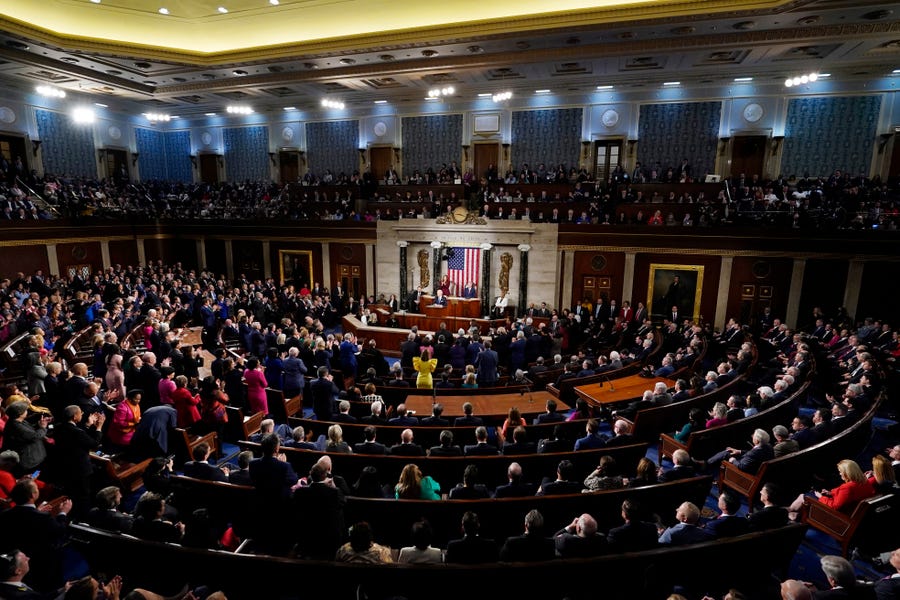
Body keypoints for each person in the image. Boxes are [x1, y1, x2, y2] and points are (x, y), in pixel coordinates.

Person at [51, 405, 104, 517]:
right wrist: (99, 427)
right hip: (80, 468)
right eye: (81, 413)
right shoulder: (77, 432)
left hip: (65, 465)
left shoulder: (58, 427)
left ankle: (70, 511)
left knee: (71, 491)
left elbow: (77, 436)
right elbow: (94, 444)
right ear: (75, 416)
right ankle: (83, 516)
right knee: (83, 494)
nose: (82, 414)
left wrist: (88, 425)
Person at [292, 462, 346, 560]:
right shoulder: (334, 492)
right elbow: (342, 502)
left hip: (306, 537)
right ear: (325, 475)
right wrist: (334, 487)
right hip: (328, 540)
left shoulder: (300, 492)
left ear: (310, 474)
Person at [788, 459, 876, 517]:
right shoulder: (865, 481)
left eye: (840, 472)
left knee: (803, 496)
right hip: (851, 511)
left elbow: (834, 507)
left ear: (847, 473)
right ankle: (791, 514)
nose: (840, 474)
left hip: (838, 517)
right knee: (803, 500)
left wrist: (820, 497)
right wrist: (831, 493)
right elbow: (848, 497)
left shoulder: (847, 487)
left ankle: (788, 513)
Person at [0, 402, 50, 472]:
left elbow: (29, 430)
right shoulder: (15, 426)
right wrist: (42, 428)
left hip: (34, 459)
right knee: (35, 476)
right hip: (31, 463)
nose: (27, 411)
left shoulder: (18, 421)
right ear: (20, 414)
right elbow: (35, 436)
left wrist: (40, 424)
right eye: (25, 410)